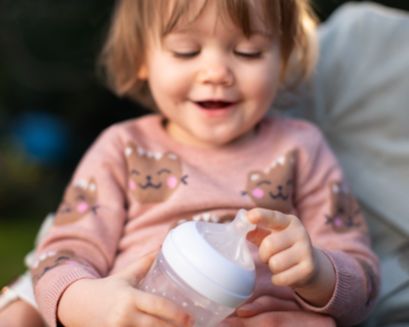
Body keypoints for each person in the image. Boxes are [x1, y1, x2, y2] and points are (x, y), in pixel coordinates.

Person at [0, 0, 379, 326]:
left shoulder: (301, 147)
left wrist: (318, 272)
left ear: (281, 62)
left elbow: (363, 279)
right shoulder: (124, 148)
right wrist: (87, 303)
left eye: (248, 52)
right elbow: (59, 255)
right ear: (141, 60)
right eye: (186, 51)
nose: (216, 73)